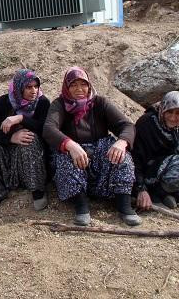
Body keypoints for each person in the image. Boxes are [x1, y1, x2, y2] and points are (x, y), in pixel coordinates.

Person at [43, 66, 141, 227]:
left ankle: (124, 207)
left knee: (122, 157)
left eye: (83, 84)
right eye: (73, 85)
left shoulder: (100, 102)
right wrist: (70, 145)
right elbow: (49, 129)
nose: (79, 89)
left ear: (89, 86)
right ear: (66, 87)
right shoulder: (59, 104)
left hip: (99, 150)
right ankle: (81, 207)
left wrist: (122, 142)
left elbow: (126, 126)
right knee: (65, 158)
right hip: (76, 154)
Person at [0, 69, 51, 218]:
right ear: (19, 88)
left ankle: (37, 190)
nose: (34, 91)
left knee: (30, 138)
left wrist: (21, 119)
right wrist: (11, 138)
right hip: (6, 154)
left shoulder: (42, 103)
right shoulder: (3, 102)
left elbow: (45, 129)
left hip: (30, 159)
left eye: (36, 86)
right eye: (28, 87)